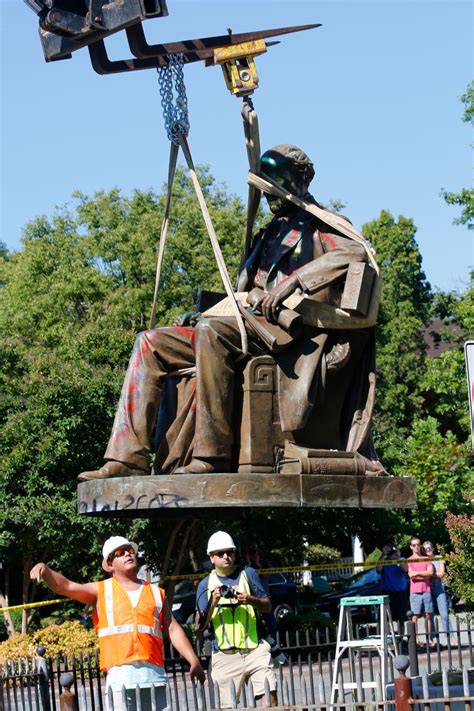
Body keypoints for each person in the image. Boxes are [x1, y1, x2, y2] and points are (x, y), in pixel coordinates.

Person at [78, 143, 380, 480]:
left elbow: (355, 252)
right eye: (265, 189)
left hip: (289, 334)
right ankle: (126, 458)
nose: (270, 198)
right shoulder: (269, 234)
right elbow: (241, 292)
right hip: (244, 323)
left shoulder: (322, 225)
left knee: (211, 331)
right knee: (151, 342)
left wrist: (294, 283)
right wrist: (208, 310)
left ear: (300, 182)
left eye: (276, 186)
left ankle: (212, 455)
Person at [30, 536, 205, 710]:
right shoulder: (101, 591)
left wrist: (193, 660)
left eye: (130, 551)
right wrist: (44, 570)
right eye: (120, 552)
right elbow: (66, 587)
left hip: (155, 677)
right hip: (121, 679)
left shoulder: (155, 592)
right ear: (110, 564)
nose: (128, 554)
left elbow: (172, 628)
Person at [195, 531, 278, 708]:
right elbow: (200, 625)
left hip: (255, 649)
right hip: (224, 655)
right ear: (211, 558)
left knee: (270, 701)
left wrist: (249, 599)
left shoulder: (249, 573)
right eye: (220, 553)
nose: (226, 556)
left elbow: (267, 606)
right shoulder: (205, 584)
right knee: (228, 706)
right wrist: (214, 600)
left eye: (230, 552)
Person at [423, 540, 456, 647]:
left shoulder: (439, 558)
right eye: (425, 548)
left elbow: (441, 574)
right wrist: (431, 574)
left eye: (429, 548)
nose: (428, 550)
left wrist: (429, 574)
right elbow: (422, 575)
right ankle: (432, 639)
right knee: (429, 615)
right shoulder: (422, 560)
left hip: (438, 586)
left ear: (433, 548)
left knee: (444, 614)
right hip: (427, 587)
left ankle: (451, 637)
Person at [407, 536, 435, 647]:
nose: (417, 547)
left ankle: (429, 639)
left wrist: (417, 574)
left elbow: (430, 573)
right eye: (414, 545)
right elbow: (411, 576)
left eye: (418, 544)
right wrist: (424, 575)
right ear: (411, 547)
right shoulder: (409, 560)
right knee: (415, 616)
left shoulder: (426, 559)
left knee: (428, 615)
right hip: (414, 592)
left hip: (426, 590)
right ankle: (416, 640)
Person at [375, 541, 409, 635]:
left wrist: (397, 557)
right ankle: (387, 639)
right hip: (387, 594)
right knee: (385, 619)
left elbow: (405, 569)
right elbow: (378, 569)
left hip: (400, 594)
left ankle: (401, 640)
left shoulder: (401, 559)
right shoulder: (385, 561)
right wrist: (383, 554)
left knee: (401, 619)